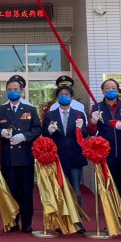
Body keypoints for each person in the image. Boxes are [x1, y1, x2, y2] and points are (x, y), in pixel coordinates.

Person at [0, 75, 41, 233]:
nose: (12, 92)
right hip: (8, 159)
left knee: (26, 193)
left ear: (21, 91)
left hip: (25, 158)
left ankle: (27, 222)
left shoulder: (30, 110)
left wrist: (24, 136)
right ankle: (12, 221)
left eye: (15, 90)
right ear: (5, 91)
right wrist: (2, 133)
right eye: (9, 90)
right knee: (11, 192)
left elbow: (37, 129)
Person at [88, 78, 121, 232]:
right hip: (106, 155)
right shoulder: (96, 107)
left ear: (117, 90)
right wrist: (93, 121)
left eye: (113, 87)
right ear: (102, 91)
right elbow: (90, 132)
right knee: (110, 188)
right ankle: (112, 220)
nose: (111, 90)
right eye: (107, 88)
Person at [43, 81, 86, 213]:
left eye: (66, 94)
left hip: (75, 156)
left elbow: (85, 133)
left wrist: (81, 128)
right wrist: (49, 131)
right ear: (57, 98)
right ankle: (62, 221)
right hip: (57, 157)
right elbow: (44, 134)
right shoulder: (50, 115)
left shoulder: (79, 113)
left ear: (71, 97)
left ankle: (77, 220)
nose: (64, 96)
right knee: (59, 188)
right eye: (61, 94)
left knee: (76, 190)